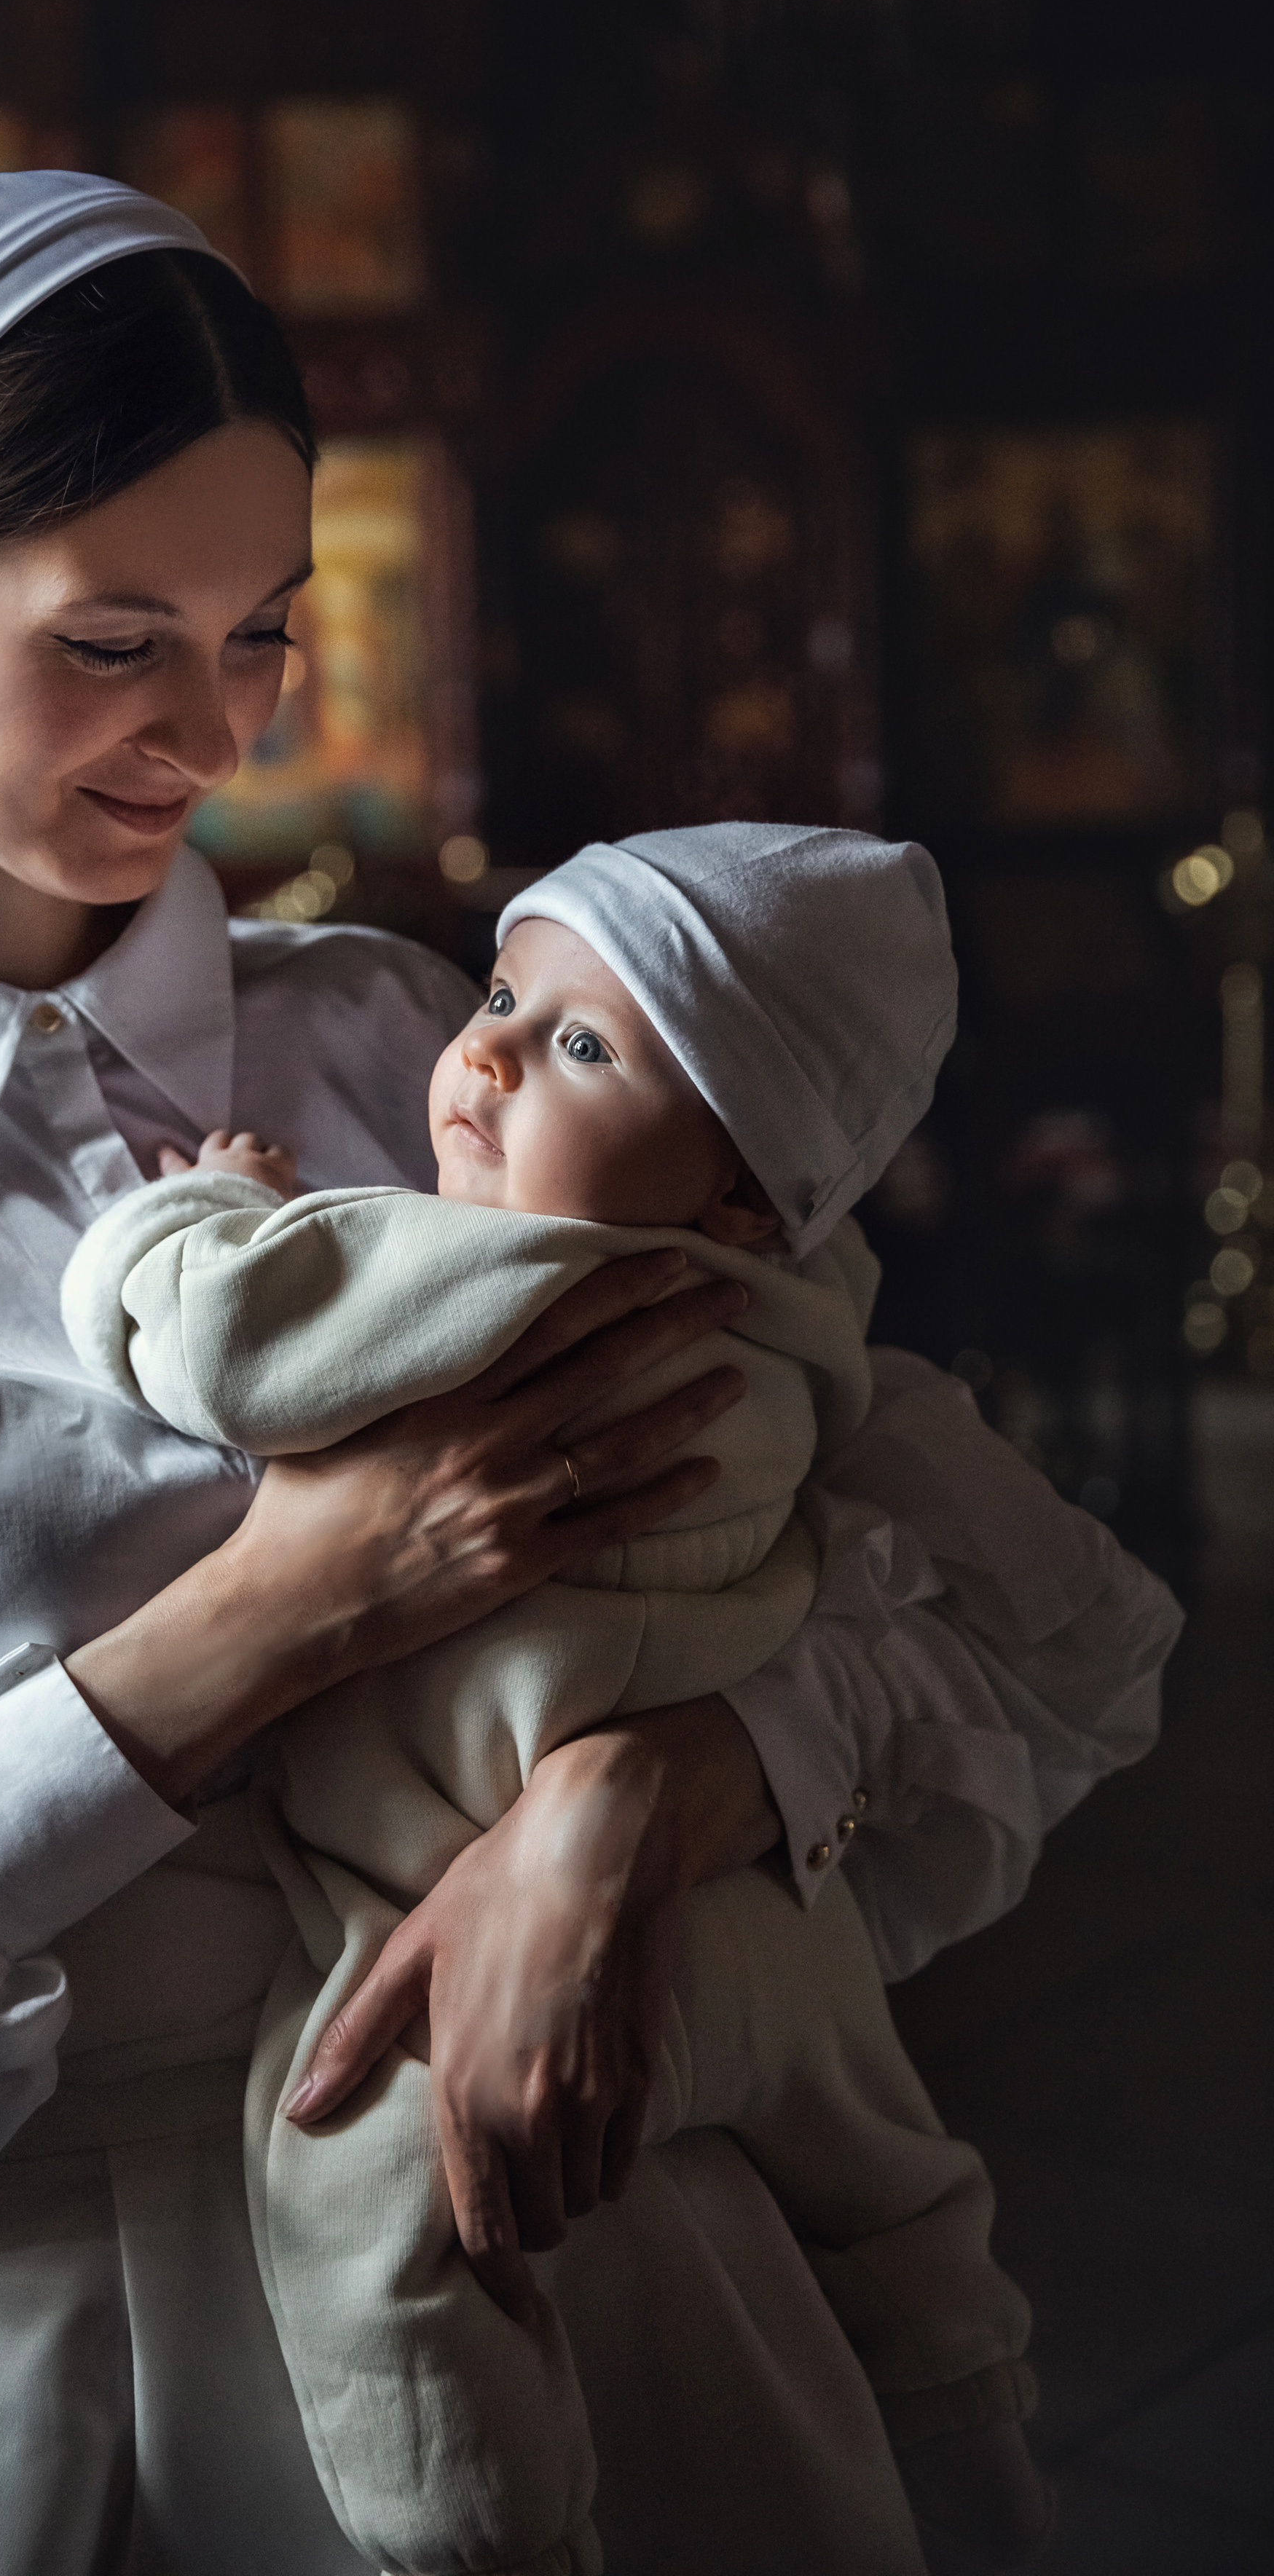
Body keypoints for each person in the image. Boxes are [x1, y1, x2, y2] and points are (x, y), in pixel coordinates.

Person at [0, 176, 1181, 2576]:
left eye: (260, 630)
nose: (216, 731)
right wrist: (288, 1610)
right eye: (115, 636)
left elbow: (985, 1602)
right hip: (47, 2400)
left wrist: (657, 1792)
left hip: (613, 2296)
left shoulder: (420, 1059)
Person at [62, 823, 1045, 2576]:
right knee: (889, 2182)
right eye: (507, 994)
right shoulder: (794, 1316)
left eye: (582, 1045)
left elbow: (216, 1345)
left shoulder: (488, 1277)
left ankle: (476, 2533)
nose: (491, 1049)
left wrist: (202, 1205)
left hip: (461, 1916)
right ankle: (970, 2433)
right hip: (745, 1907)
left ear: (745, 1181)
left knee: (370, 2196)